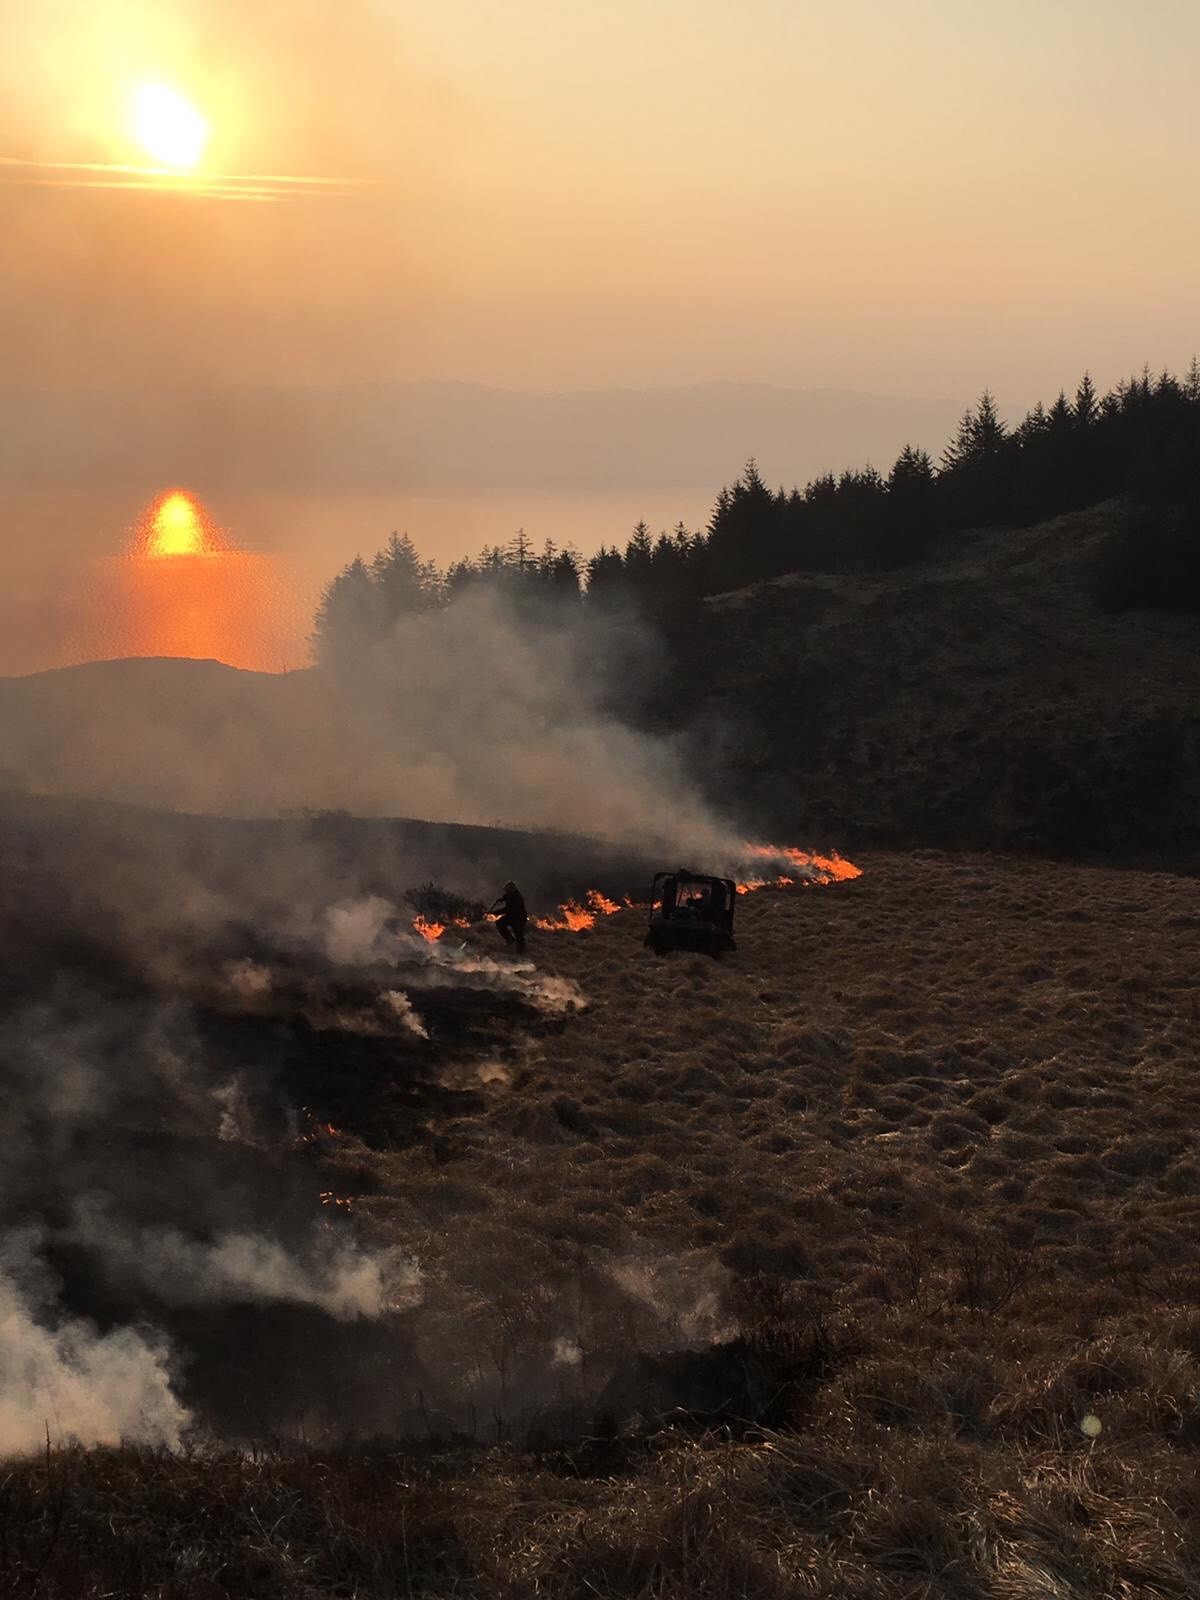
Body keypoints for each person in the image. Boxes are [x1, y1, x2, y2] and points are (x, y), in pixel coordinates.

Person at [489, 880, 528, 953]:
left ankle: (521, 951)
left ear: (511, 889)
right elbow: (506, 897)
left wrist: (495, 912)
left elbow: (508, 909)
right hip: (512, 916)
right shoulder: (511, 894)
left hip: (519, 918)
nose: (506, 891)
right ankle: (510, 940)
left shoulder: (516, 897)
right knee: (499, 923)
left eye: (507, 890)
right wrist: (502, 899)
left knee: (518, 934)